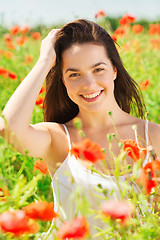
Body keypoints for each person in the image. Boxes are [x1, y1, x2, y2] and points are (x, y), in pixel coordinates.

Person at [0, 19, 160, 238]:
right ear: (64, 81)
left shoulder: (153, 135)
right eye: (74, 74)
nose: (89, 84)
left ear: (114, 69)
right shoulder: (58, 138)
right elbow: (9, 129)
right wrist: (45, 61)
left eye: (98, 69)